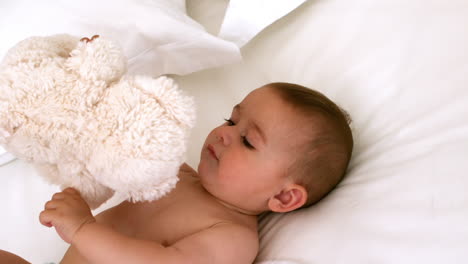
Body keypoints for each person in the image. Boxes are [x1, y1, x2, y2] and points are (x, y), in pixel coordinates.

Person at [1, 82, 353, 264]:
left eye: (247, 140)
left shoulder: (231, 237)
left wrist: (83, 229)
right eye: (231, 119)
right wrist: (101, 89)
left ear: (283, 197)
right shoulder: (180, 175)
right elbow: (121, 141)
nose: (224, 133)